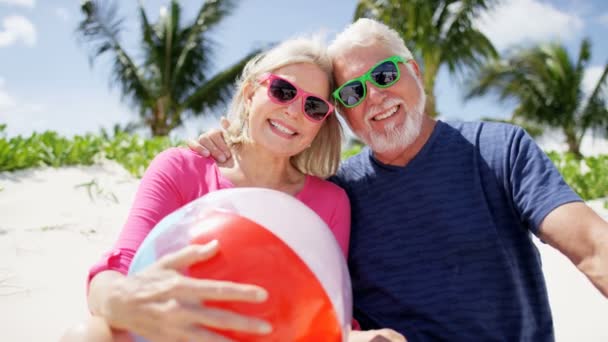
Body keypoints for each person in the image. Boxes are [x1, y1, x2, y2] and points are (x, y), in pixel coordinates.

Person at [191, 18, 608, 341]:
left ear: (415, 71)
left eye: (384, 76)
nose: (373, 96)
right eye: (352, 94)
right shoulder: (339, 191)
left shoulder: (498, 148)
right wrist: (229, 144)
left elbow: (593, 246)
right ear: (342, 114)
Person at [62, 35, 357, 342]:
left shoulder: (331, 202)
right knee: (86, 335)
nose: (295, 111)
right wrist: (115, 299)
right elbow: (117, 272)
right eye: (282, 91)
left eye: (314, 106)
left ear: (320, 124)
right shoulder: (180, 168)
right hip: (177, 334)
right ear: (249, 93)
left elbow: (333, 310)